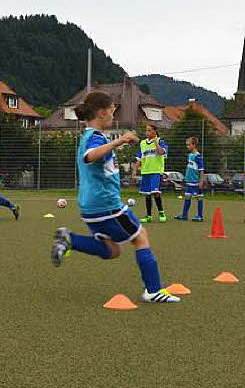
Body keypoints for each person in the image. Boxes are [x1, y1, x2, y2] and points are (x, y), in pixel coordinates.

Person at [51, 91, 180, 304]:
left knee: (111, 250)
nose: (114, 116)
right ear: (102, 113)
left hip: (91, 207)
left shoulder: (93, 136)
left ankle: (70, 239)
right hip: (106, 204)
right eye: (112, 112)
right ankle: (153, 290)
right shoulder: (93, 137)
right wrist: (119, 141)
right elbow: (90, 156)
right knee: (141, 237)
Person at [132, 124, 168, 223]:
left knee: (155, 192)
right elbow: (139, 158)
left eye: (149, 130)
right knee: (147, 194)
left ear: (155, 131)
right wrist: (134, 170)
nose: (147, 132)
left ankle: (161, 212)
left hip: (156, 171)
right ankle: (149, 216)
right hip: (145, 171)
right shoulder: (143, 143)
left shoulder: (161, 141)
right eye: (146, 130)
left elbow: (161, 153)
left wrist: (156, 143)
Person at [175, 137, 205, 221]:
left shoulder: (198, 156)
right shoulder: (190, 155)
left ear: (194, 145)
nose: (187, 146)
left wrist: (201, 181)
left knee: (199, 197)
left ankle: (200, 216)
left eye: (189, 145)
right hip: (189, 181)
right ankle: (184, 215)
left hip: (195, 181)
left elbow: (201, 170)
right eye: (186, 145)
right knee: (187, 197)